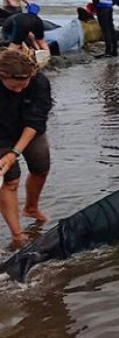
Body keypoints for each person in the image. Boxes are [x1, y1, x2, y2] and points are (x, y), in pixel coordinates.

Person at [0, 49, 53, 245]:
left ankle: (31, 208)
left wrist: (15, 152)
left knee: (41, 167)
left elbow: (36, 120)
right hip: (1, 134)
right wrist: (8, 155)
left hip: (29, 128)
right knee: (10, 180)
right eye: (14, 86)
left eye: (24, 85)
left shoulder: (39, 83)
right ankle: (17, 234)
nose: (19, 90)